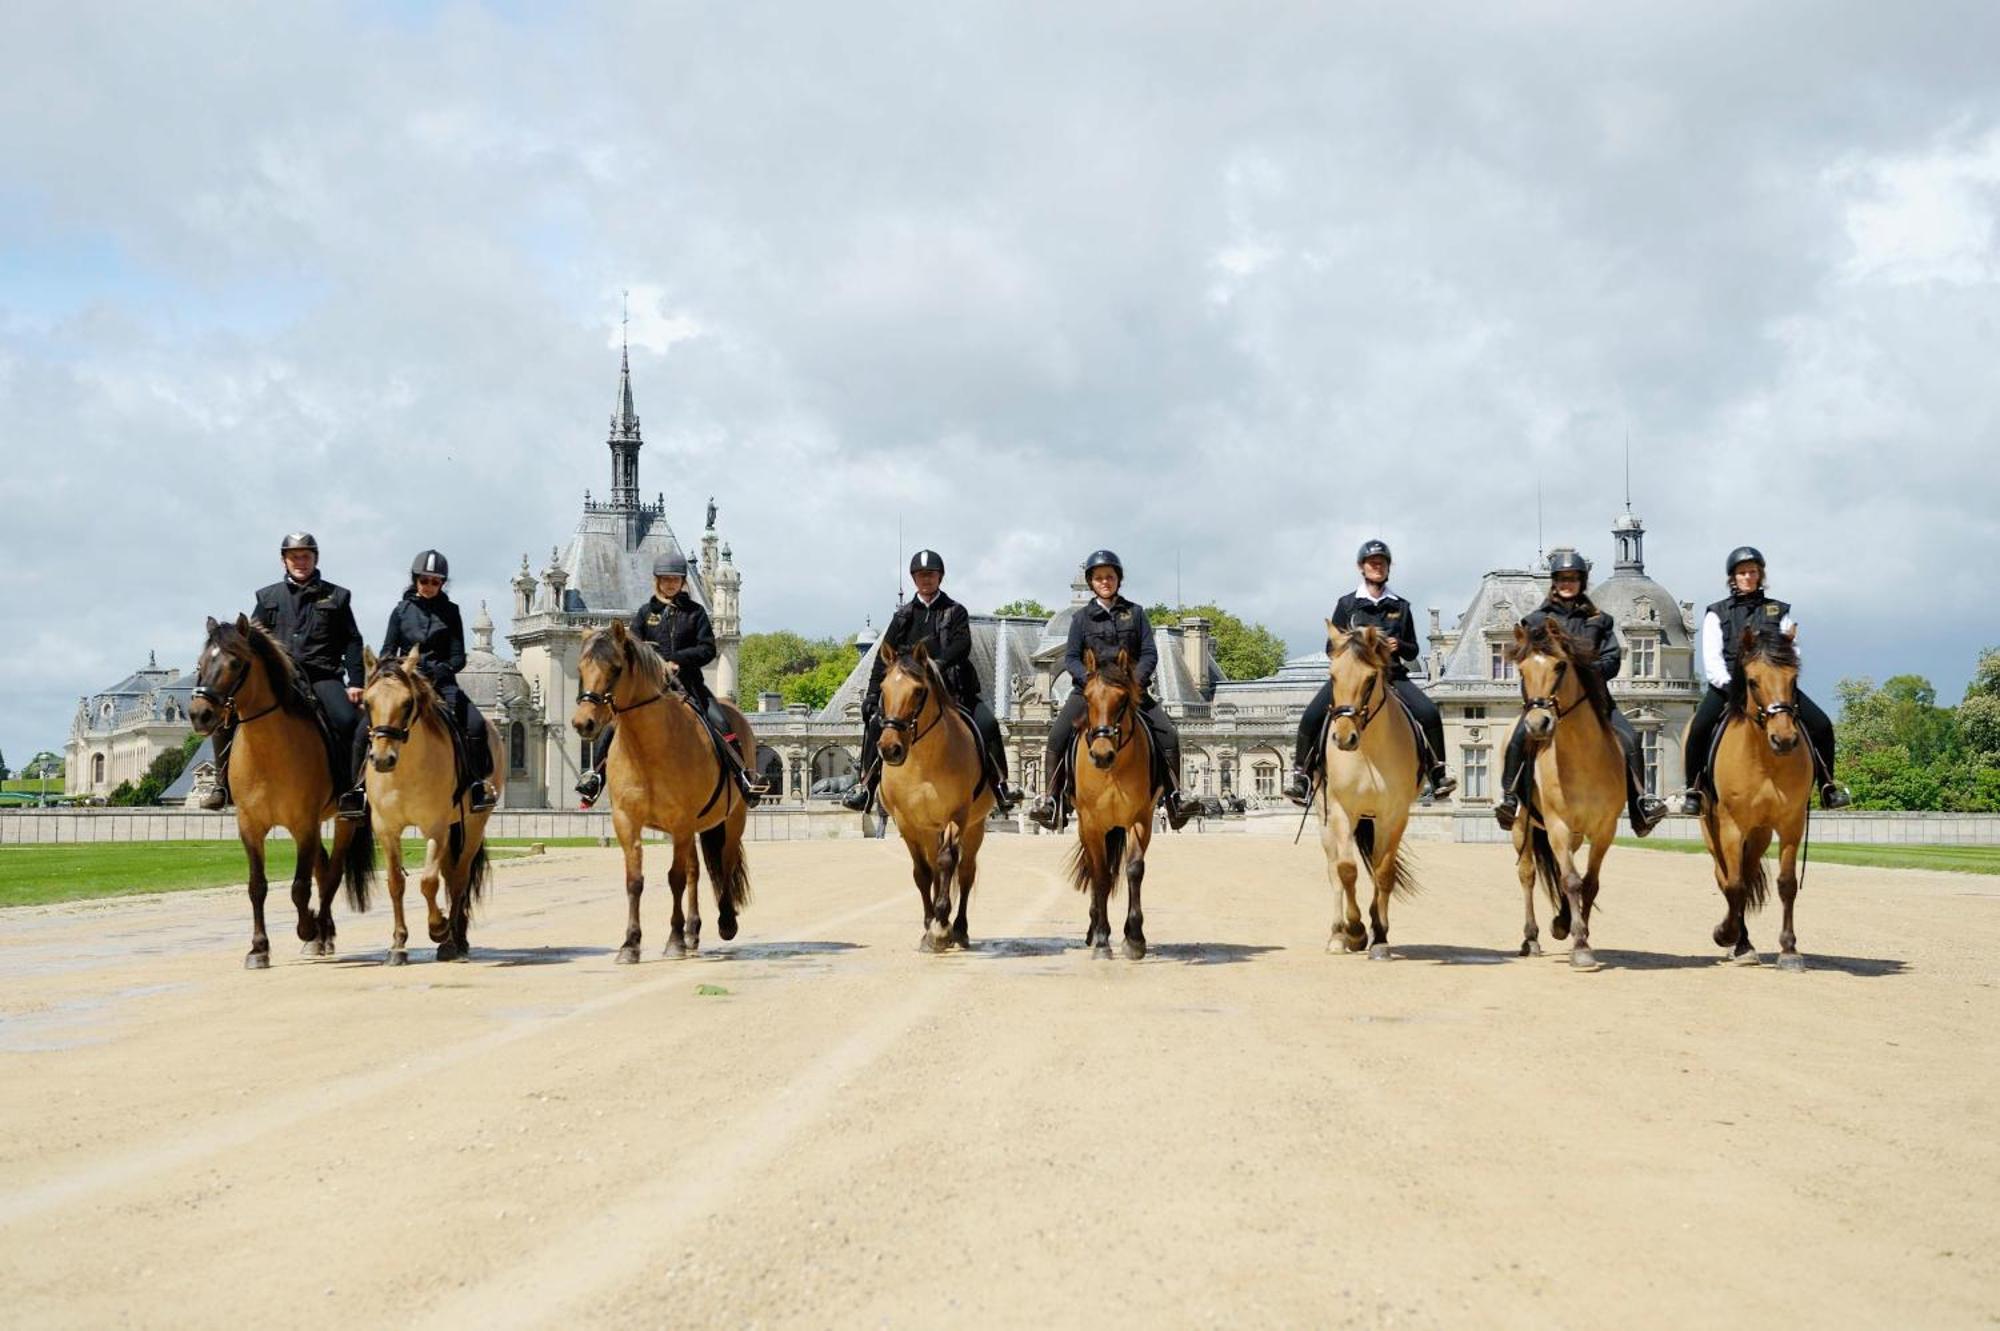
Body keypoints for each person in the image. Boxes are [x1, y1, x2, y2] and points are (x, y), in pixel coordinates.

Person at [1492, 549, 1669, 836]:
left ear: (1582, 582)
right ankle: (1510, 798)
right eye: (1562, 579)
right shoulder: (1535, 621)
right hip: (1547, 699)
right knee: (1517, 739)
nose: (1567, 584)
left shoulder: (1599, 620)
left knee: (1631, 737)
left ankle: (1641, 805)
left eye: (1573, 579)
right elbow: (1527, 660)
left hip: (1593, 698)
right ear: (1554, 582)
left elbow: (1612, 658)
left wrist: (1585, 671)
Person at [576, 552, 763, 808]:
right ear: (657, 582)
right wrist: (655, 663)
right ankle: (596, 776)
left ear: (683, 582)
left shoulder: (695, 613)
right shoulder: (645, 614)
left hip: (688, 683)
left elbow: (707, 649)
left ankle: (744, 777)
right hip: (651, 687)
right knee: (612, 724)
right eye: (665, 580)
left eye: (675, 579)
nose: (670, 584)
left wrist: (677, 660)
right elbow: (631, 649)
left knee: (720, 721)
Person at [1027, 550, 1193, 831]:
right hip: (1090, 692)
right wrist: (1089, 681)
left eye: (1110, 577)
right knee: (1057, 736)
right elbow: (1071, 658)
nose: (1105, 582)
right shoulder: (1080, 619)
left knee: (1169, 734)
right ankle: (1052, 801)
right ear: (1092, 582)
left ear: (1118, 580)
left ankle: (1174, 799)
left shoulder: (1136, 613)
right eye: (1099, 578)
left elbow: (1150, 654)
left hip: (1129, 691)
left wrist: (1133, 683)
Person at [202, 532, 366, 814]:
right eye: (294, 557)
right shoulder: (267, 598)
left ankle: (349, 791)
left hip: (323, 676)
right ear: (284, 560)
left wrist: (356, 682)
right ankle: (221, 785)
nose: (300, 562)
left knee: (348, 720)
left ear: (315, 559)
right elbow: (250, 643)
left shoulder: (337, 597)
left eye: (306, 556)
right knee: (226, 716)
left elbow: (352, 641)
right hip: (282, 680)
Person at [842, 549, 1017, 813]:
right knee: (878, 722)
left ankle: (1001, 785)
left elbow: (962, 644)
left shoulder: (955, 611)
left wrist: (937, 665)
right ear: (914, 579)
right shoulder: (903, 616)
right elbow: (883, 658)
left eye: (931, 575)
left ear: (940, 577)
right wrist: (870, 695)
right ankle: (866, 786)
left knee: (988, 723)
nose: (926, 580)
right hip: (911, 694)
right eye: (921, 575)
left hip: (952, 690)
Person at [1679, 546, 1849, 814]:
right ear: (1732, 578)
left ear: (1760, 575)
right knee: (1699, 728)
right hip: (1730, 689)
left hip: (1774, 689)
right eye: (1742, 572)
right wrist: (1735, 687)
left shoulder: (1778, 611)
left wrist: (1779, 682)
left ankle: (1827, 787)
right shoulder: (1717, 613)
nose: (1748, 577)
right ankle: (1694, 790)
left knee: (1822, 725)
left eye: (1753, 572)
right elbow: (1712, 661)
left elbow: (1793, 653)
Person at [1285, 540, 1455, 804]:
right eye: (1372, 563)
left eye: (1382, 563)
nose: (1377, 567)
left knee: (1429, 714)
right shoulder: (1347, 604)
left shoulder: (1401, 606)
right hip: (1353, 678)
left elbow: (1412, 650)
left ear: (1388, 568)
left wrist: (1400, 645)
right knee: (1310, 716)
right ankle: (1302, 778)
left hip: (1391, 676)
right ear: (1361, 568)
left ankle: (1438, 773)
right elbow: (1331, 646)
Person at [345, 550, 497, 817]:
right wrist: (398, 670)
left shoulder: (451, 612)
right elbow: (387, 650)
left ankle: (477, 785)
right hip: (406, 681)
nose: (428, 586)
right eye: (424, 580)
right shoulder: (400, 611)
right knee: (361, 731)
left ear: (442, 584)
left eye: (435, 582)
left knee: (474, 724)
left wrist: (440, 669)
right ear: (415, 580)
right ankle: (357, 790)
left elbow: (458, 657)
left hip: (441, 682)